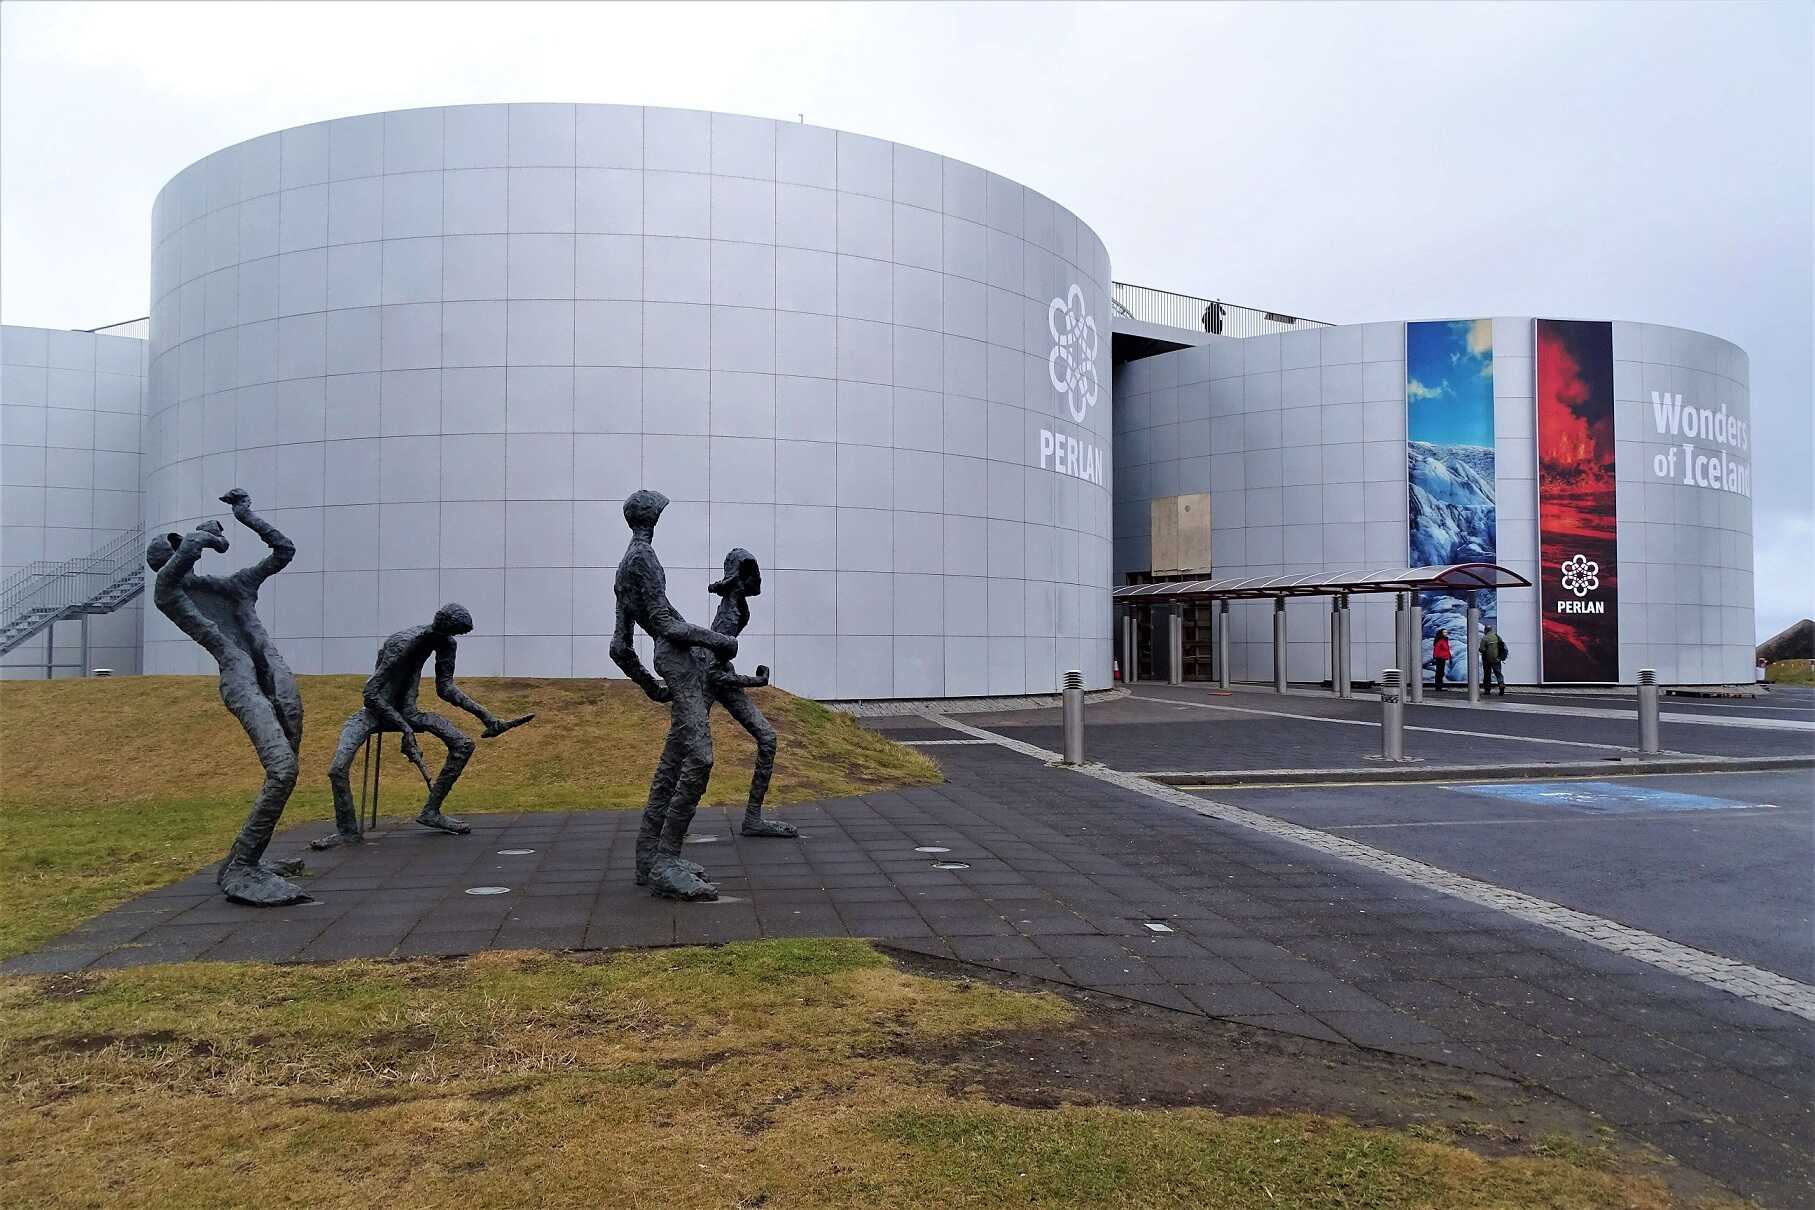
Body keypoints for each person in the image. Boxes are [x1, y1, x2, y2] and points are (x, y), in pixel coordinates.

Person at [146, 488, 307, 906]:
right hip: (241, 683)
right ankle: (242, 867)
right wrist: (206, 536)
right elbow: (183, 560)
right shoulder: (169, 594)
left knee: (286, 773)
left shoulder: (235, 586)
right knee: (283, 771)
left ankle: (246, 857)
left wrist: (245, 515)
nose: (182, 553)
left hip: (277, 680)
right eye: (175, 550)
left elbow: (284, 550)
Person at [313, 603, 533, 850]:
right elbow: (371, 694)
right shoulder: (404, 642)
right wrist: (404, 729)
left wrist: (486, 717)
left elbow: (445, 688)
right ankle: (347, 831)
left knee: (464, 744)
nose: (454, 638)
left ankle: (431, 811)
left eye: (457, 634)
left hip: (408, 713)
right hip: (374, 713)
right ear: (441, 623)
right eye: (454, 632)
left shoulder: (446, 643)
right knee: (337, 769)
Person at [610, 489, 741, 900]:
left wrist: (651, 686)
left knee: (673, 759)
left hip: (675, 664)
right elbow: (665, 624)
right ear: (652, 516)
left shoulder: (625, 563)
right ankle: (665, 859)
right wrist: (721, 641)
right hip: (680, 662)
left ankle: (648, 857)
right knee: (699, 758)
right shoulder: (643, 558)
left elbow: (620, 646)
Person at [700, 548, 797, 839]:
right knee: (691, 755)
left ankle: (753, 819)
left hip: (717, 674)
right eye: (752, 572)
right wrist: (756, 681)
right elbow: (714, 671)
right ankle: (664, 835)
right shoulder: (731, 611)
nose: (758, 579)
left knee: (767, 738)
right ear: (742, 577)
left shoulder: (736, 605)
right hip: (711, 679)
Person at [1481, 625, 1509, 696]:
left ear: (1485, 630)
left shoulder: (1485, 638)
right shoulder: (1497, 636)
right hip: (1497, 659)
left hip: (1487, 660)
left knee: (1487, 675)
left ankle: (1487, 690)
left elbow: (1482, 649)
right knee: (1498, 673)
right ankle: (1501, 685)